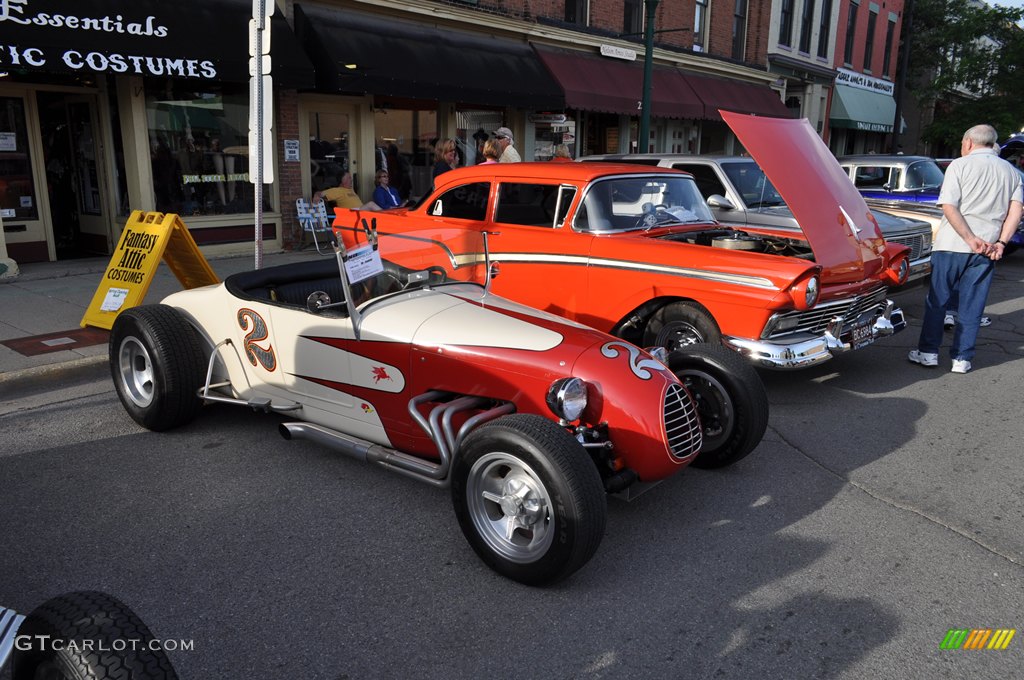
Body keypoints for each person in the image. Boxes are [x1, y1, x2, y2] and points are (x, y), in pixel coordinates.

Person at [908, 124, 1023, 374]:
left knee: (938, 300)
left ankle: (928, 352)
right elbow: (1016, 210)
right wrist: (1002, 242)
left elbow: (948, 205)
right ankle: (962, 358)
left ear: (969, 142)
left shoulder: (959, 165)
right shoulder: (1012, 172)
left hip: (952, 244)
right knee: (973, 304)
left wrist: (969, 237)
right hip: (989, 247)